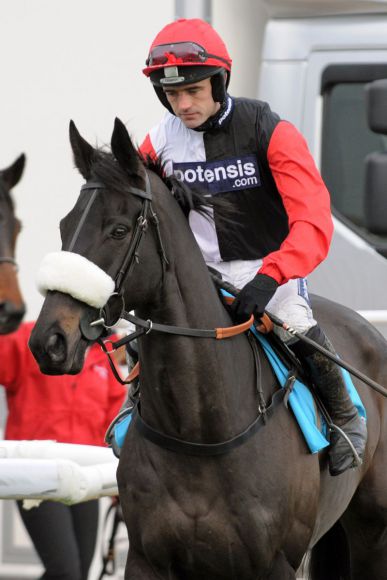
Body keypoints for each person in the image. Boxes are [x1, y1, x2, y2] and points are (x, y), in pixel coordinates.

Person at [139, 18, 367, 476]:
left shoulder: (268, 128)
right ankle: (133, 410)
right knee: (150, 335)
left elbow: (313, 219)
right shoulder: (158, 141)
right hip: (197, 276)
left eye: (194, 91)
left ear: (220, 82)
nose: (182, 105)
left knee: (295, 323)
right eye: (172, 95)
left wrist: (270, 276)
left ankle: (346, 418)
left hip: (268, 270)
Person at [0, 320, 127, 580]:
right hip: (35, 475)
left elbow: (110, 426)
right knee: (65, 572)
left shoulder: (104, 357)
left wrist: (119, 482)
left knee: (80, 573)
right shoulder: (29, 338)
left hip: (84, 476)